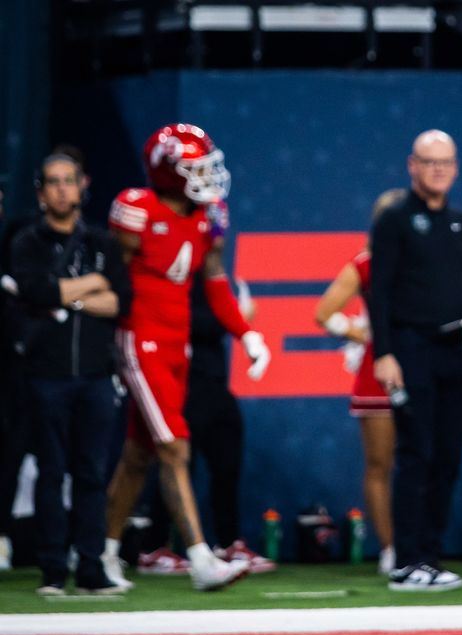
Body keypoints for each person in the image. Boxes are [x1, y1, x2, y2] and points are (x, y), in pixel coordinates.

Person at [104, 123, 271, 592]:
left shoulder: (208, 216)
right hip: (141, 340)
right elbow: (112, 275)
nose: (205, 177)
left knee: (138, 455)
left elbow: (215, 283)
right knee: (176, 448)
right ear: (167, 171)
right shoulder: (137, 209)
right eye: (194, 168)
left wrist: (247, 333)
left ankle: (103, 553)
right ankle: (201, 559)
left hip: (179, 344)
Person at [9, 153, 130, 594]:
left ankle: (92, 567)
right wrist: (89, 287)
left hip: (96, 375)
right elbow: (36, 290)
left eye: (69, 181)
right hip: (46, 375)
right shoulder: (27, 242)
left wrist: (67, 297)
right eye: (54, 183)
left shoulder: (103, 242)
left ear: (83, 185)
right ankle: (53, 570)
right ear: (41, 192)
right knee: (51, 472)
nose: (62, 190)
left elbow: (121, 302)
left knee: (92, 473)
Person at [368, 130, 462, 592]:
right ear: (412, 166)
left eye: (445, 162)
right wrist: (384, 352)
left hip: (454, 350)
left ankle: (429, 555)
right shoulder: (393, 219)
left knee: (448, 456)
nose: (438, 170)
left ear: (455, 167)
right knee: (416, 454)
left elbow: (459, 288)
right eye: (429, 162)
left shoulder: (460, 222)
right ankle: (406, 559)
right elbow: (380, 291)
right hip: (409, 348)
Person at [138, 274, 275, 574]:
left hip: (214, 380)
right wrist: (235, 318)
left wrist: (237, 320)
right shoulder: (178, 276)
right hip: (182, 380)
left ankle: (227, 543)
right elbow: (189, 321)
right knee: (176, 462)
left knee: (227, 461)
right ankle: (154, 546)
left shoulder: (216, 280)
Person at [315, 188, 407, 576]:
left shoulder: (431, 259)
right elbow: (325, 313)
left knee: (423, 463)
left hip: (425, 370)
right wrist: (367, 335)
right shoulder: (366, 264)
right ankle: (390, 549)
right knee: (380, 463)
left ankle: (419, 545)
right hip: (379, 373)